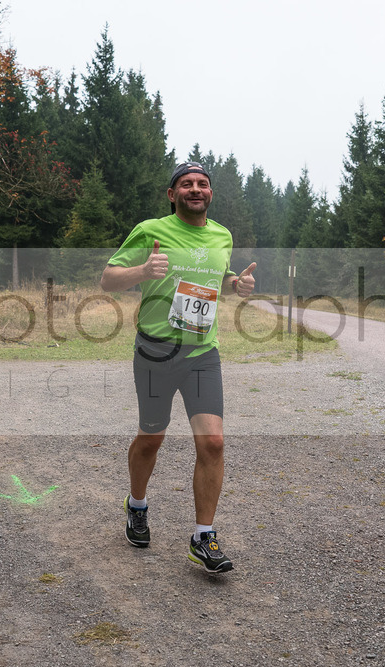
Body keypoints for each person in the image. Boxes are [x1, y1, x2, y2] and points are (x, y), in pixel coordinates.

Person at [100, 161, 256, 573]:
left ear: (210, 193)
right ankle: (137, 505)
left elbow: (216, 279)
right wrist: (141, 271)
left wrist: (235, 285)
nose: (195, 189)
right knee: (151, 438)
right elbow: (108, 279)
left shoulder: (222, 235)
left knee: (213, 442)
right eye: (186, 184)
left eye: (202, 184)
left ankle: (203, 537)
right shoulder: (151, 230)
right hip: (155, 351)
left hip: (202, 352)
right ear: (172, 194)